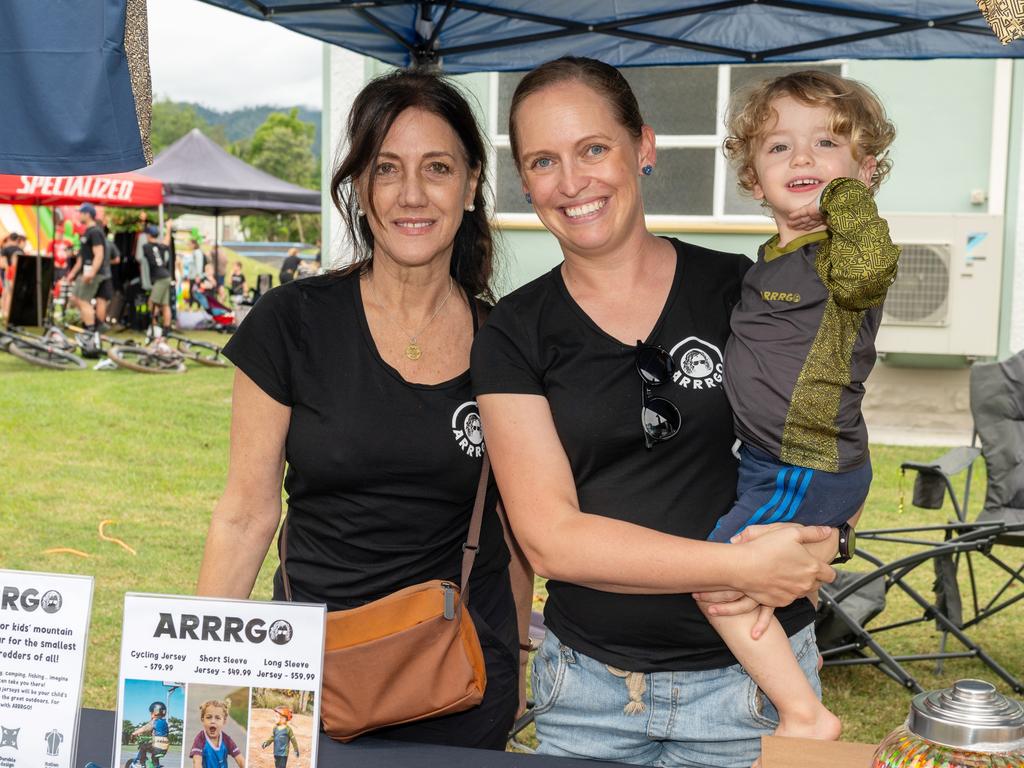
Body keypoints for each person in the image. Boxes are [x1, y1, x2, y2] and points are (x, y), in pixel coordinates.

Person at [471, 56, 837, 767]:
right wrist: (737, 569)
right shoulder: (514, 333)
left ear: (643, 147)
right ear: (524, 180)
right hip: (590, 699)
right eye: (543, 160)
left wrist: (828, 539)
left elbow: (829, 436)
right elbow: (551, 541)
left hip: (754, 693)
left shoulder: (745, 290)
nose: (572, 183)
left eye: (593, 149)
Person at [196, 69, 530, 750]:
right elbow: (244, 513)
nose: (412, 194)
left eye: (437, 168)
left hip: (459, 681)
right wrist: (198, 672)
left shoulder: (509, 341)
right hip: (304, 676)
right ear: (359, 186)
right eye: (386, 169)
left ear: (469, 186)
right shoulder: (292, 322)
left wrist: (518, 656)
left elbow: (517, 527)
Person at [700, 70, 899, 745]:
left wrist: (850, 199)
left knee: (719, 575)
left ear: (865, 170)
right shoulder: (773, 257)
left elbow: (872, 269)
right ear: (754, 179)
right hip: (772, 463)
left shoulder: (846, 251)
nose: (805, 159)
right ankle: (790, 681)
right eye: (780, 148)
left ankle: (806, 716)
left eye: (828, 144)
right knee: (756, 582)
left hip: (803, 462)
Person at [65, 203, 106, 345]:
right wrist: (73, 273)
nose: (78, 215)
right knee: (75, 298)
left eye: (80, 213)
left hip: (92, 272)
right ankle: (91, 326)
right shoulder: (86, 232)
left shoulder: (95, 232)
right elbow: (81, 258)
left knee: (83, 301)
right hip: (84, 271)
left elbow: (99, 254)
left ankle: (91, 332)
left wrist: (92, 273)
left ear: (88, 214)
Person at [139, 223, 174, 339]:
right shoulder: (160, 246)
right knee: (165, 304)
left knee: (152, 303)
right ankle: (166, 329)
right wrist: (168, 228)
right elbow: (167, 241)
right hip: (166, 276)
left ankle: (154, 327)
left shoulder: (146, 247)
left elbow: (140, 259)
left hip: (160, 278)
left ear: (149, 235)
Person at [189, 699, 244, 768]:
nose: (213, 721)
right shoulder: (200, 739)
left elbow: (240, 760)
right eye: (209, 717)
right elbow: (196, 761)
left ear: (224, 721)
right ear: (203, 720)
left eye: (217, 718)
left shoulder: (226, 740)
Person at [130, 701, 170, 768]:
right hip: (164, 747)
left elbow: (145, 728)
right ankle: (156, 765)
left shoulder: (155, 722)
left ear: (155, 712)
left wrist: (134, 733)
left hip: (156, 746)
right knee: (154, 758)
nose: (150, 714)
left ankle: (142, 764)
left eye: (151, 712)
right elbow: (159, 734)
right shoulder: (164, 723)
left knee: (143, 747)